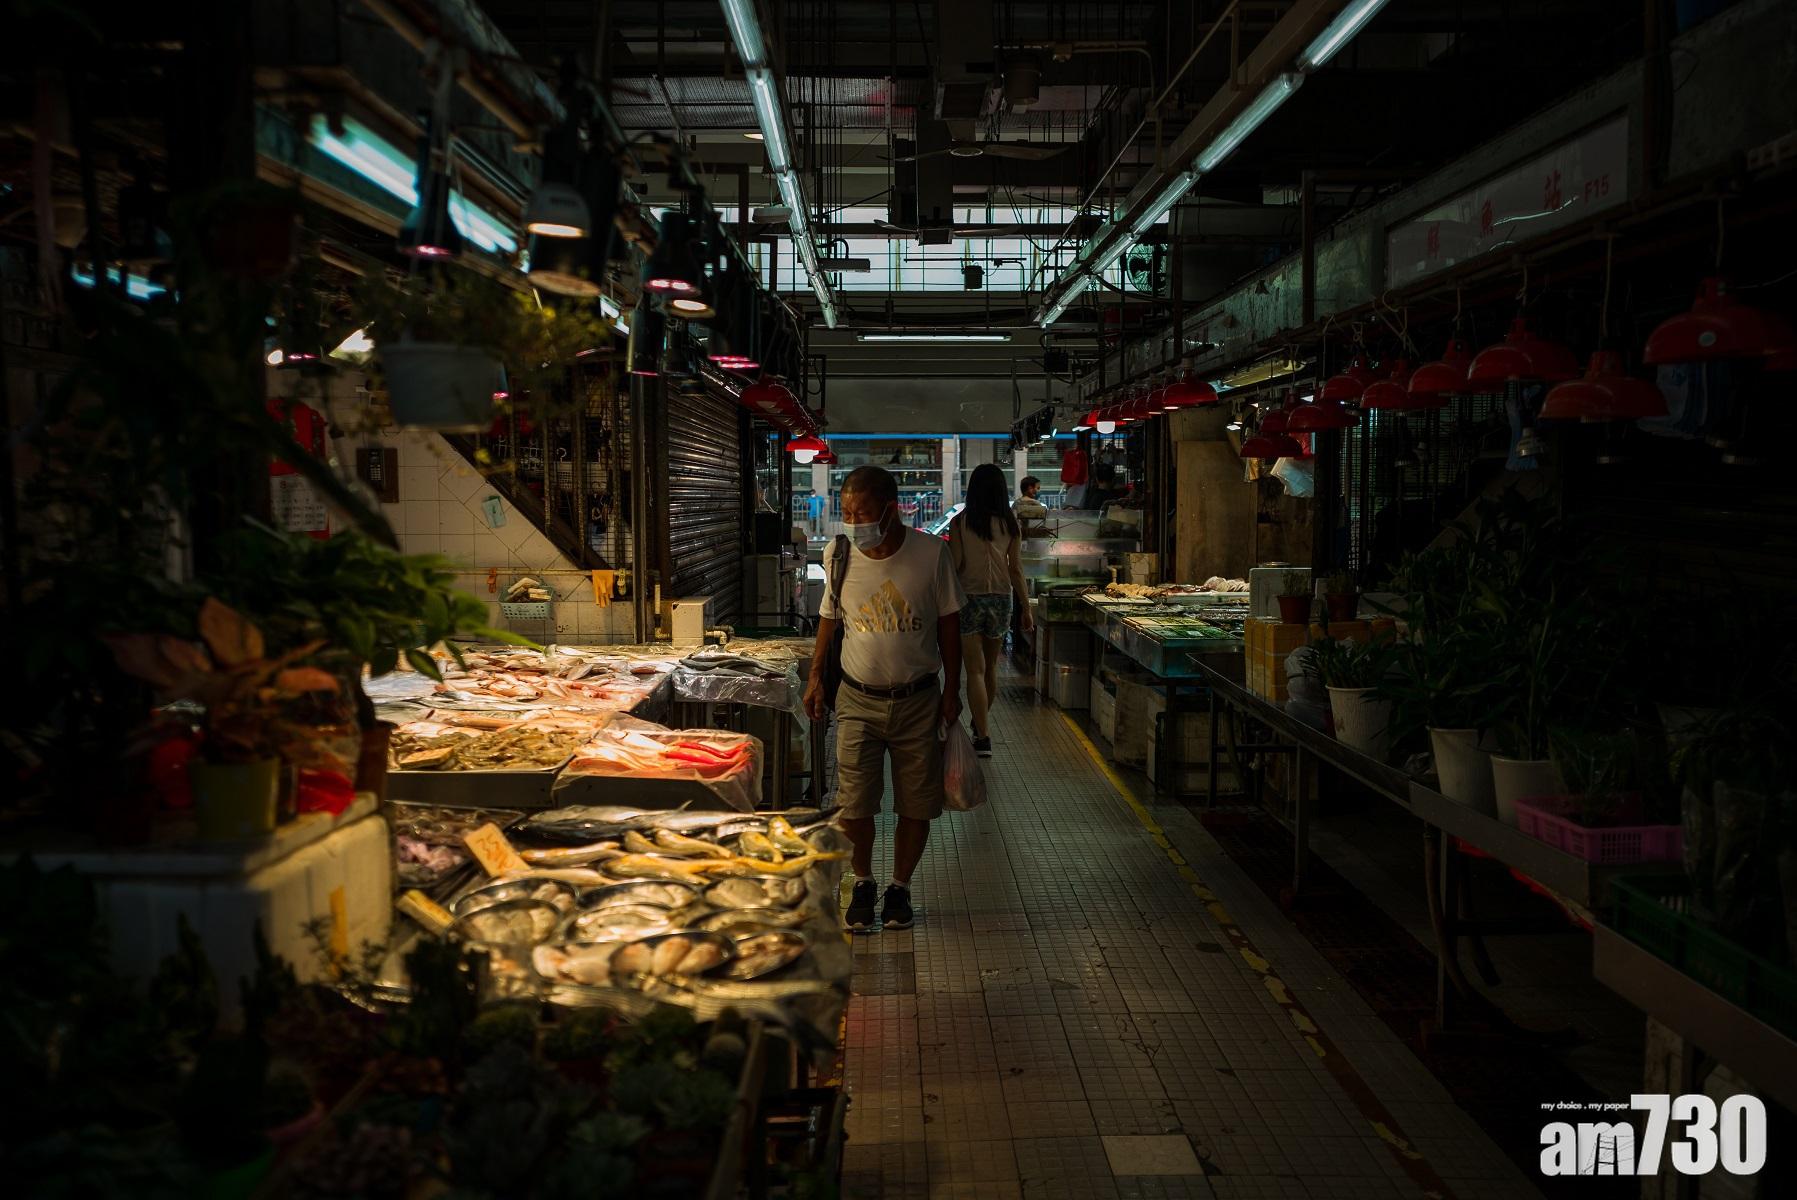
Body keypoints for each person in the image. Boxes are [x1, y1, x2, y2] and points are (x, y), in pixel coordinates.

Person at [804, 465, 964, 932]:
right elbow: (828, 622)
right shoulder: (839, 554)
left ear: (891, 511)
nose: (854, 522)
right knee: (854, 804)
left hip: (919, 700)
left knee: (916, 803)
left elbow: (952, 627)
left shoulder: (932, 554)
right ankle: (864, 880)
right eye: (848, 512)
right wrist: (816, 679)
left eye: (864, 512)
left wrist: (952, 692)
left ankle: (899, 887)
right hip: (857, 699)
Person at [949, 463, 1033, 757]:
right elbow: (1016, 569)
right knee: (991, 668)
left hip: (968, 599)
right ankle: (980, 723)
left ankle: (983, 736)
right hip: (1001, 599)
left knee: (974, 670)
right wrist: (1026, 608)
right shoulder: (1011, 524)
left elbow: (956, 564)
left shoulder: (960, 522)